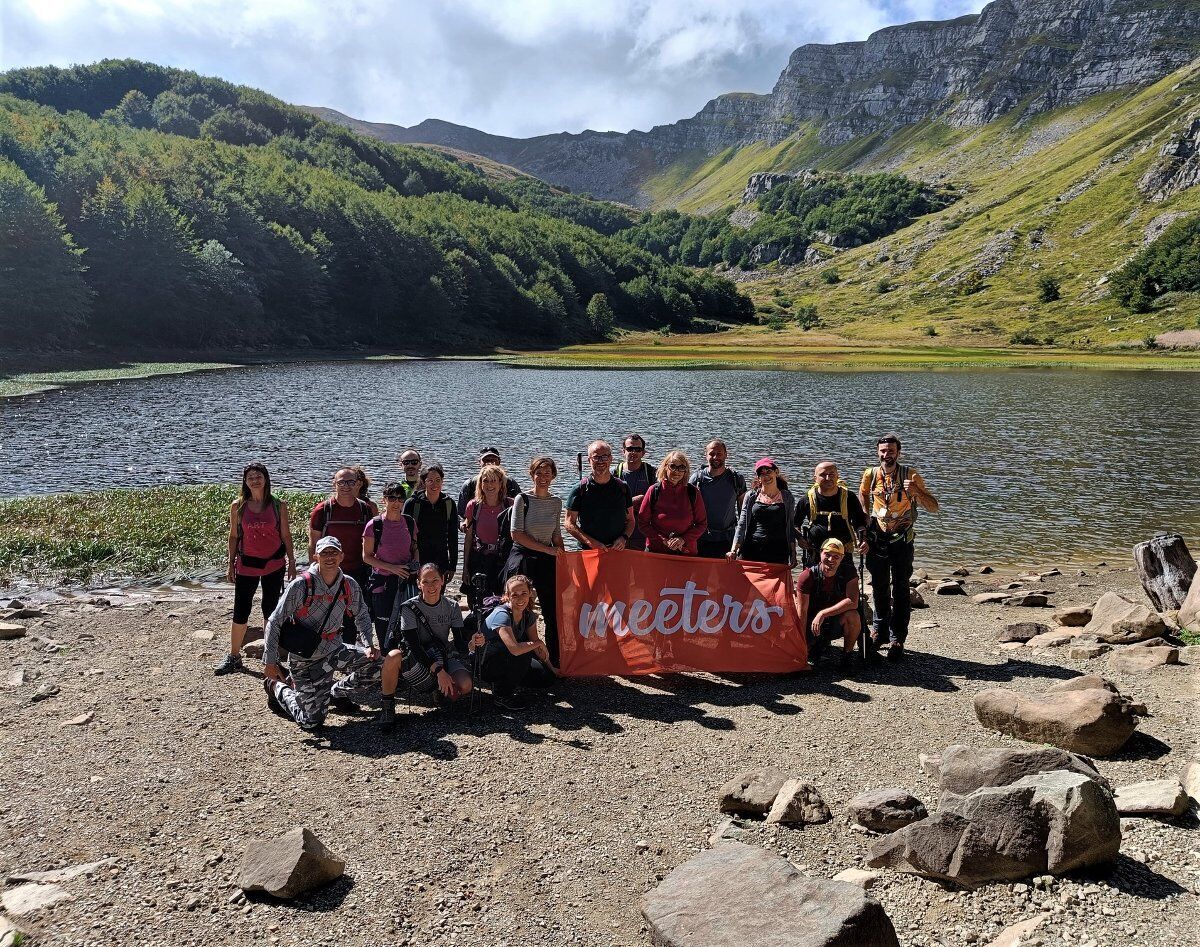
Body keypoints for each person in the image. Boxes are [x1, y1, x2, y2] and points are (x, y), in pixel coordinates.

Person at [262, 536, 380, 732]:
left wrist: (368, 644)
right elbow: (275, 621)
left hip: (334, 650)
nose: (330, 557)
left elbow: (363, 615)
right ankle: (277, 687)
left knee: (378, 665)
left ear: (342, 556)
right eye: (325, 553)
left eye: (334, 552)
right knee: (311, 722)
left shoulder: (348, 585)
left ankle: (334, 693)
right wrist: (270, 661)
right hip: (304, 659)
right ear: (316, 556)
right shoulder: (301, 586)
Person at [858, 433, 939, 661]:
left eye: (891, 451)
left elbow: (933, 507)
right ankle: (879, 632)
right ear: (878, 453)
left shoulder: (910, 475)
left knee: (901, 589)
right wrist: (865, 521)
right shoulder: (870, 475)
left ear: (898, 453)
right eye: (883, 451)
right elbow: (863, 495)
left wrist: (916, 492)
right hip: (878, 540)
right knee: (879, 586)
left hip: (902, 541)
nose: (887, 455)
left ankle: (897, 638)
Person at [216, 462, 297, 676]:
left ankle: (270, 657)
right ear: (245, 481)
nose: (254, 480)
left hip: (274, 564)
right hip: (246, 564)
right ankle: (234, 656)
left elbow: (286, 535)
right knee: (241, 610)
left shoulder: (278, 505)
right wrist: (230, 563)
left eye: (258, 476)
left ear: (266, 479)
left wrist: (292, 562)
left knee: (270, 609)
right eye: (250, 477)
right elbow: (233, 536)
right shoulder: (238, 506)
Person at [378, 564, 473, 727]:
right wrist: (439, 671)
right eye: (425, 581)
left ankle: (437, 690)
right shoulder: (408, 607)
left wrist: (472, 643)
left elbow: (459, 642)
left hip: (442, 654)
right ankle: (387, 705)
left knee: (465, 685)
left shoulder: (452, 606)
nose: (431, 586)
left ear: (442, 581)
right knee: (393, 656)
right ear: (418, 584)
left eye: (435, 580)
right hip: (416, 658)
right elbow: (413, 646)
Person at [508, 455, 565, 665]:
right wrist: (546, 550)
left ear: (553, 476)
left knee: (552, 609)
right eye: (539, 473)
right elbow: (516, 534)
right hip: (523, 556)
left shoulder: (556, 502)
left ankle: (555, 657)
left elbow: (556, 535)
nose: (543, 477)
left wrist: (562, 556)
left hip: (546, 558)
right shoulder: (522, 499)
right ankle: (520, 654)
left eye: (547, 473)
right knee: (520, 606)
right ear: (532, 475)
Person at [310, 467, 377, 639]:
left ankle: (348, 654)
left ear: (358, 484)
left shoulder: (365, 510)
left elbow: (371, 542)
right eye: (341, 482)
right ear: (335, 484)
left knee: (351, 615)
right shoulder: (322, 511)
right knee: (325, 614)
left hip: (358, 571)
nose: (346, 486)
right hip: (328, 572)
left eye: (350, 482)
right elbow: (313, 545)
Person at [480, 574, 556, 712]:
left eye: (524, 593)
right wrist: (538, 643)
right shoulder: (501, 614)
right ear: (507, 596)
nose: (520, 598)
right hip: (485, 663)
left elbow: (536, 645)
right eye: (515, 595)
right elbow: (516, 649)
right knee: (523, 653)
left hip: (508, 657)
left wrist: (552, 668)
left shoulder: (528, 615)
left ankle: (510, 679)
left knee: (546, 678)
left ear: (530, 593)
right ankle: (501, 695)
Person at [362, 481, 419, 652]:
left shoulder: (409, 522)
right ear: (384, 500)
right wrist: (392, 568)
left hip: (406, 581)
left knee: (407, 623)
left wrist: (416, 565)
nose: (396, 503)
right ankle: (386, 660)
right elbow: (366, 557)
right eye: (392, 498)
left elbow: (415, 548)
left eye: (400, 499)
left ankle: (405, 660)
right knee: (384, 625)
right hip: (383, 584)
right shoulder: (374, 525)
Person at [796, 538, 862, 670]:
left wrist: (823, 614)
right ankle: (809, 649)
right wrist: (801, 645)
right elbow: (801, 612)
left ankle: (847, 657)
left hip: (833, 621)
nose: (831, 560)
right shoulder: (807, 575)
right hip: (811, 624)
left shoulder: (849, 572)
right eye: (827, 555)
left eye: (836, 556)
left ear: (842, 558)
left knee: (853, 615)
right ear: (821, 553)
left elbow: (852, 602)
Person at [796, 461, 869, 566]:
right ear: (815, 478)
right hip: (816, 552)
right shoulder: (807, 499)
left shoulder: (849, 497)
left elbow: (859, 522)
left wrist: (863, 539)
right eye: (823, 475)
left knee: (850, 581)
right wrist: (800, 538)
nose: (827, 478)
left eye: (831, 475)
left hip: (843, 552)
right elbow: (795, 523)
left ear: (837, 476)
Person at [565, 440, 634, 552]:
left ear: (611, 458)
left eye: (605, 457)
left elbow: (631, 520)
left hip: (617, 551)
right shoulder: (579, 489)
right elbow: (569, 523)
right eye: (596, 457)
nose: (601, 461)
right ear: (589, 460)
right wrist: (590, 542)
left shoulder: (623, 487)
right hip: (588, 552)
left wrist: (623, 538)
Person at [729, 458, 797, 566]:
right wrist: (733, 550)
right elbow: (742, 525)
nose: (766, 476)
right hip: (751, 551)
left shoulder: (787, 497)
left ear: (776, 472)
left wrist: (793, 553)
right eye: (762, 474)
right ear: (758, 478)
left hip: (778, 553)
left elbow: (790, 526)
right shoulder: (751, 496)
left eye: (768, 472)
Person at [638, 450, 708, 555]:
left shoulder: (693, 492)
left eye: (681, 468)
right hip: (657, 551)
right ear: (665, 467)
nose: (677, 471)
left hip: (686, 551)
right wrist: (662, 540)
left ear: (686, 470)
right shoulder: (654, 491)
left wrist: (682, 540)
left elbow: (701, 524)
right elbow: (642, 523)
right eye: (673, 466)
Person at [462, 464, 514, 597]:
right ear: (480, 484)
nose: (489, 485)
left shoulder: (510, 505)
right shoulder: (473, 506)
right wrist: (465, 567)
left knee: (501, 600)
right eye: (485, 481)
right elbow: (468, 539)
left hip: (502, 560)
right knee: (477, 602)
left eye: (493, 481)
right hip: (479, 558)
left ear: (500, 484)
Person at [403, 463, 458, 585]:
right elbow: (403, 535)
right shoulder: (412, 504)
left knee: (437, 597)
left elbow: (453, 537)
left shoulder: (449, 504)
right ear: (423, 482)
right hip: (416, 561)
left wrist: (452, 565)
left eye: (438, 480)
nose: (435, 484)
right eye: (430, 481)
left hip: (441, 561)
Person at [691, 440, 747, 559]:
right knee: (698, 576)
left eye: (719, 453)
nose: (715, 457)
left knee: (725, 577)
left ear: (726, 454)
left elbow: (743, 513)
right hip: (701, 538)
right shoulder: (697, 479)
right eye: (712, 454)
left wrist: (741, 541)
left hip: (727, 539)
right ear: (706, 455)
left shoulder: (736, 479)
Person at [457, 447, 520, 526]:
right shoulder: (469, 485)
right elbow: (460, 515)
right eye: (486, 460)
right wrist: (463, 525)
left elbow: (521, 512)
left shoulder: (510, 483)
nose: (490, 463)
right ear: (479, 462)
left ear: (499, 462)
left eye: (493, 460)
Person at [615, 434, 654, 551]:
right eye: (630, 449)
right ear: (623, 451)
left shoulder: (652, 473)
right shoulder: (614, 473)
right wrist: (634, 501)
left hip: (643, 534)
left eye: (637, 449)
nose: (633, 452)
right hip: (619, 534)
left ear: (643, 452)